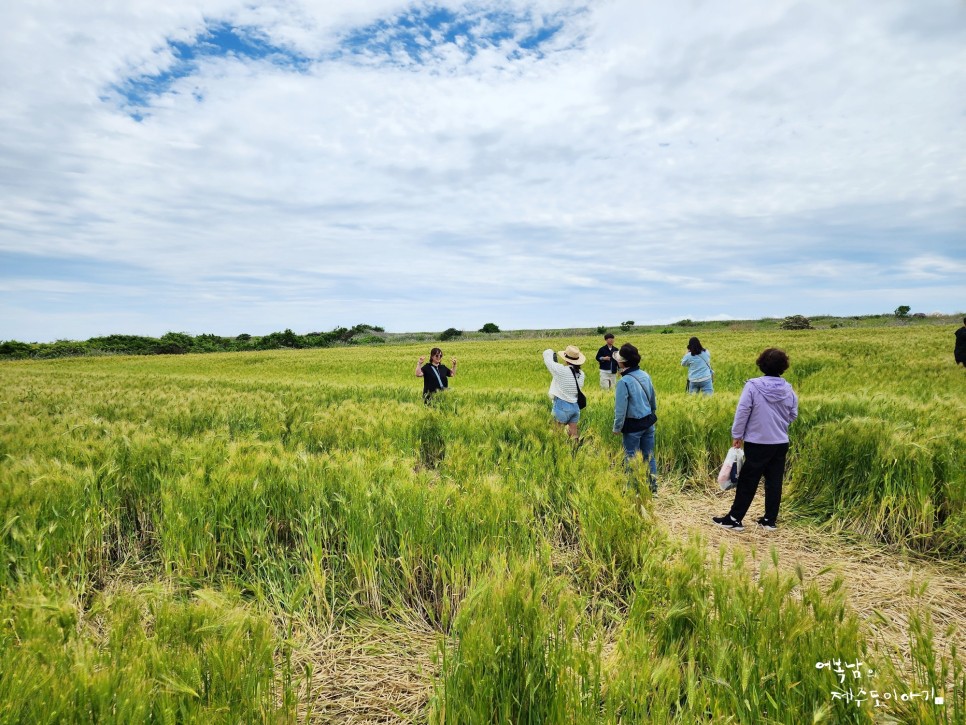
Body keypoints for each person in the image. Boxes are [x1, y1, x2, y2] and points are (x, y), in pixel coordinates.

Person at [713, 348, 798, 532]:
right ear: (783, 367)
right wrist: (779, 423)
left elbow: (743, 412)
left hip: (757, 442)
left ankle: (734, 519)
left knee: (748, 481)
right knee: (774, 481)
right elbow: (793, 414)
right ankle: (769, 520)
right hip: (780, 442)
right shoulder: (788, 388)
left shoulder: (753, 386)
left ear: (761, 364)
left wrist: (737, 435)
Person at [611, 343, 658, 494]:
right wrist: (651, 413)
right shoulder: (645, 375)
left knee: (631, 457)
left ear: (622, 362)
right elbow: (652, 398)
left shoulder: (624, 382)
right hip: (648, 422)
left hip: (632, 426)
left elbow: (620, 410)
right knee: (648, 456)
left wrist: (617, 428)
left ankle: (633, 490)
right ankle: (652, 489)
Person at [543, 345, 586, 439]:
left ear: (566, 359)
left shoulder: (561, 370)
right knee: (574, 434)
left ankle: (558, 452)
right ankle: (576, 451)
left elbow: (548, 360)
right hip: (575, 407)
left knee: (556, 435)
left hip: (562, 406)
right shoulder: (582, 374)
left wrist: (549, 350)